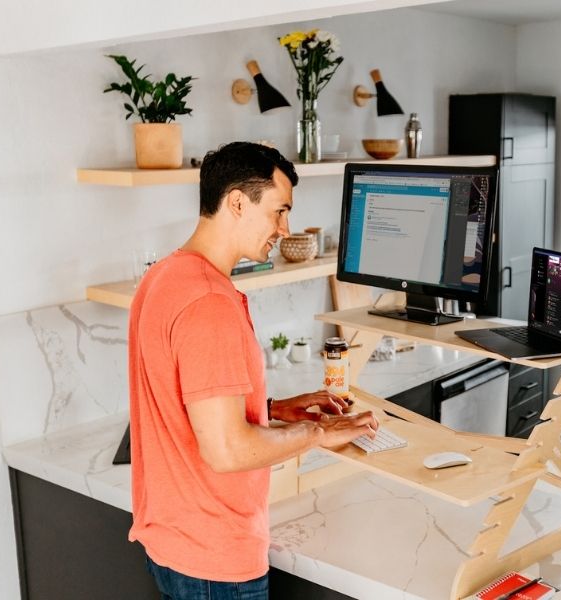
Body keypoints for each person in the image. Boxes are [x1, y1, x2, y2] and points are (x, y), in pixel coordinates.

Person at [127, 141, 378, 600]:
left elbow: (188, 406)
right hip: (214, 556)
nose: (285, 230)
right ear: (238, 202)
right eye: (279, 211)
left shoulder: (164, 276)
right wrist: (321, 435)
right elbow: (226, 451)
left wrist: (274, 409)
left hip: (173, 540)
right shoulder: (209, 302)